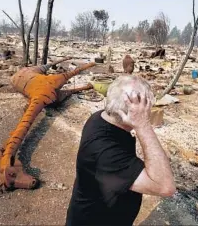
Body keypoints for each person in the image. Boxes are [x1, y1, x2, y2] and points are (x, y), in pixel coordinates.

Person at [66, 75, 176, 226]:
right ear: (132, 112)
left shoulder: (100, 117)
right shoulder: (105, 153)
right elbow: (165, 187)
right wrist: (142, 125)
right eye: (146, 108)